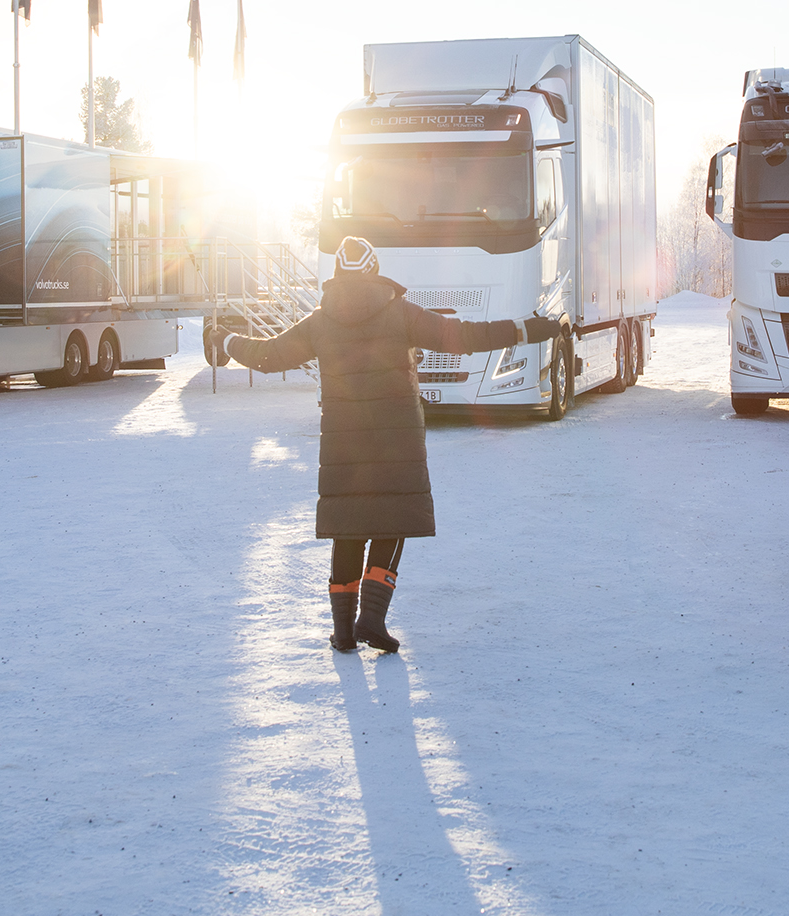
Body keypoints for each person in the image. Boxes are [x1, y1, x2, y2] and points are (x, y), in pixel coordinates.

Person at [209, 236, 562, 653]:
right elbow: (463, 337)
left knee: (349, 524)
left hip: (344, 438)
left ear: (338, 276)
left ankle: (343, 630)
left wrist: (225, 339)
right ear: (374, 271)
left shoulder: (321, 321)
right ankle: (372, 619)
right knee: (393, 517)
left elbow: (268, 355)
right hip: (396, 436)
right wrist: (531, 327)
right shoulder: (400, 313)